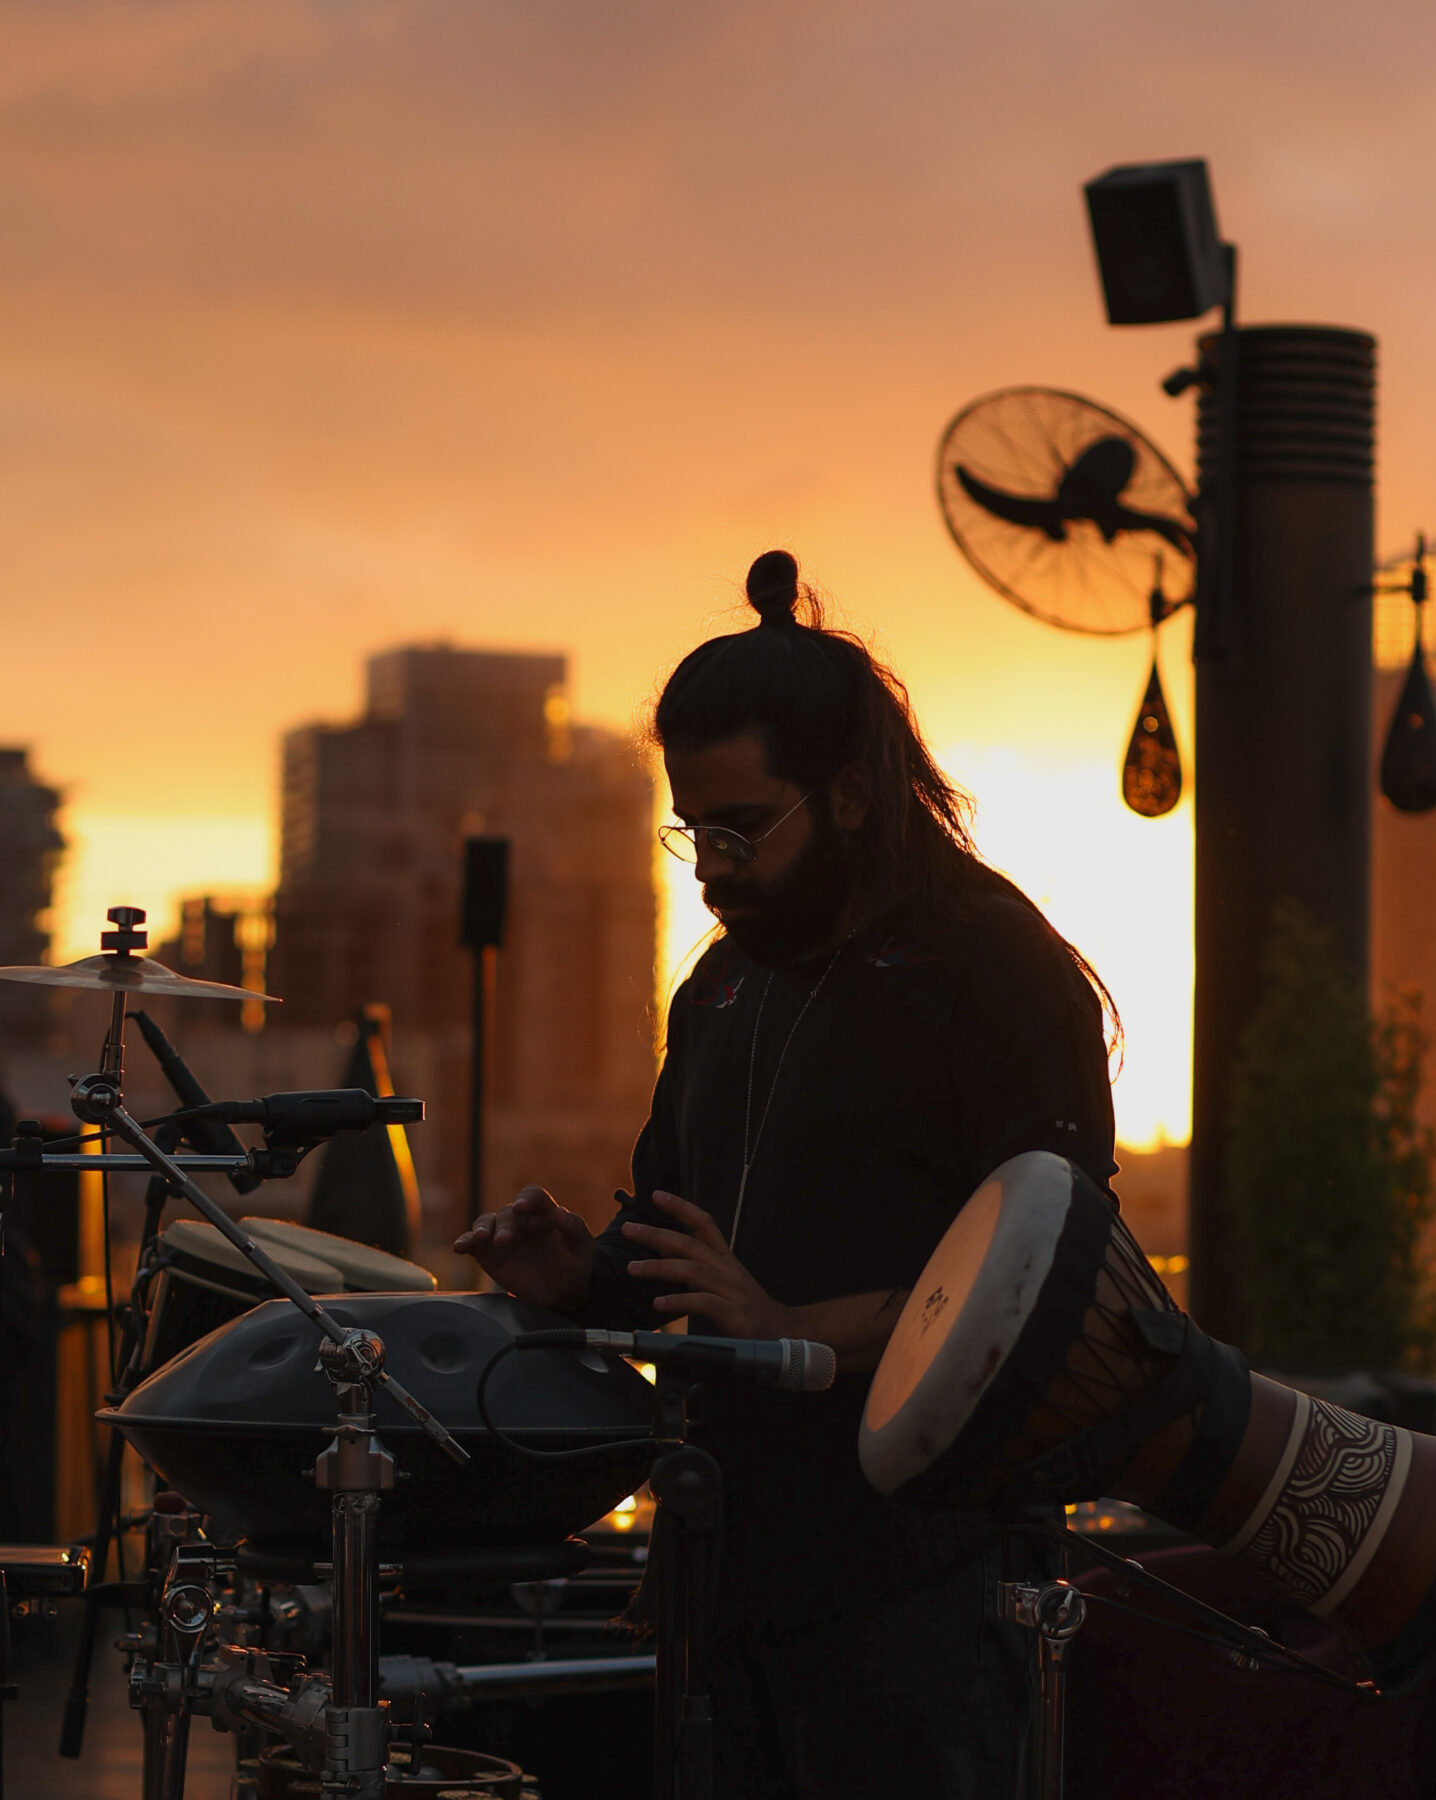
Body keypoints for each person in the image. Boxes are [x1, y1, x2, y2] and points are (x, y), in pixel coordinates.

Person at [455, 549, 1118, 1799]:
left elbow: (1057, 1281)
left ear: (855, 797)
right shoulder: (719, 984)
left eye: (742, 828)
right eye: (691, 829)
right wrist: (574, 1278)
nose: (709, 864)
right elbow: (678, 1259)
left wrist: (793, 1330)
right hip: (730, 1569)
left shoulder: (996, 967)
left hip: (925, 1579)